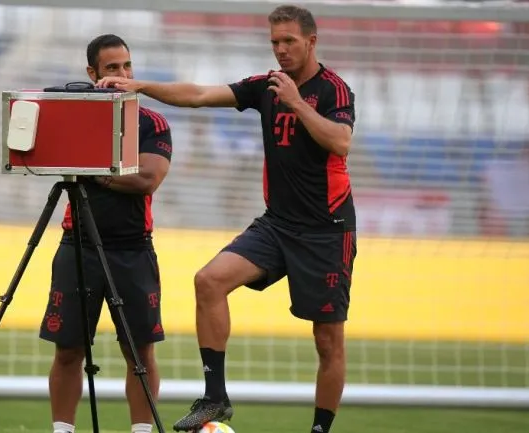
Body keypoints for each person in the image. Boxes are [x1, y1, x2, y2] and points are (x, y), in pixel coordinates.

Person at [96, 5, 356, 433]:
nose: (281, 50)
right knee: (209, 280)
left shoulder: (333, 90)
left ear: (311, 41)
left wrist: (295, 102)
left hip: (326, 231)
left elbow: (341, 142)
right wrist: (139, 84)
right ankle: (215, 398)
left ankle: (319, 430)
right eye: (274, 42)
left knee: (328, 341)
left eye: (289, 41)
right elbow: (198, 95)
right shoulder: (264, 86)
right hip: (277, 225)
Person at [39, 34, 173, 433]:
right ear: (92, 74)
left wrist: (96, 169)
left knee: (140, 353)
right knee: (68, 351)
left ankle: (141, 430)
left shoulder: (151, 122)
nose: (122, 75)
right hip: (77, 247)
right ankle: (62, 430)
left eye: (127, 66)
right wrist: (113, 172)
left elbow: (147, 179)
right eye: (112, 68)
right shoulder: (72, 117)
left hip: (133, 250)